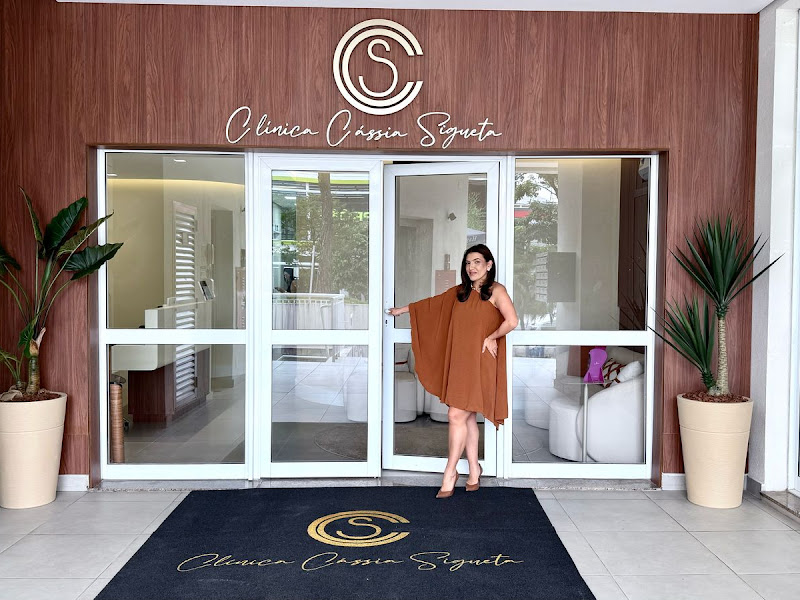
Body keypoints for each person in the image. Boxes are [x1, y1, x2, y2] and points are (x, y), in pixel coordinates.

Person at [387, 244, 518, 498]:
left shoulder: (496, 291)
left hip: (481, 360)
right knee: (466, 417)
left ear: (489, 265)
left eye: (477, 262)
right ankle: (474, 469)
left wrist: (492, 337)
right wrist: (403, 310)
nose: (472, 267)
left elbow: (512, 321)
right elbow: (432, 305)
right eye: (468, 263)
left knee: (456, 414)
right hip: (461, 361)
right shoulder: (460, 292)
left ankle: (450, 471)